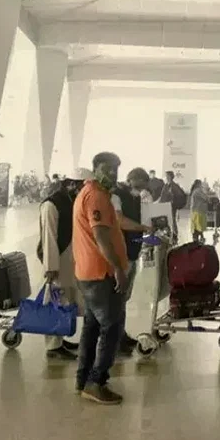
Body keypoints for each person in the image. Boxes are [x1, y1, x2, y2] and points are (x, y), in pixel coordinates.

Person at [72, 152, 129, 404]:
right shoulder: (96, 196)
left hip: (88, 272)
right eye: (107, 169)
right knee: (112, 327)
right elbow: (101, 237)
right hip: (100, 273)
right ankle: (97, 382)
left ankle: (83, 379)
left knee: (92, 327)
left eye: (116, 169)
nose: (112, 174)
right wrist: (118, 268)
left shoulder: (90, 193)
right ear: (95, 170)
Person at [38, 170, 88, 360]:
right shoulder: (51, 204)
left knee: (68, 300)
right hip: (58, 260)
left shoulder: (71, 201)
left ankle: (60, 339)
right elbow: (48, 237)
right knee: (56, 301)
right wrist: (51, 267)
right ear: (71, 184)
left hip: (72, 258)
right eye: (81, 185)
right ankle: (53, 346)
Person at [112, 168, 154, 355]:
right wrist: (142, 227)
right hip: (120, 254)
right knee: (115, 298)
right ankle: (114, 340)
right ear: (131, 180)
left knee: (124, 298)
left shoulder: (135, 197)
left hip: (132, 252)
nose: (143, 188)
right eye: (141, 183)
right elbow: (119, 221)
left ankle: (121, 334)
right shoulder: (116, 195)